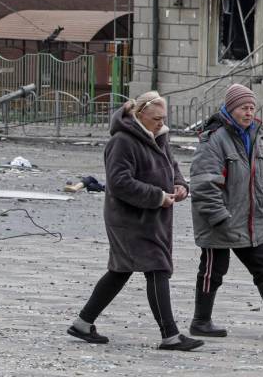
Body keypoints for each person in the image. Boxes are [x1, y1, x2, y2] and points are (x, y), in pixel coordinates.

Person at [66, 91, 204, 351]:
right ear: (139, 115)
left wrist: (179, 184)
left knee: (121, 270)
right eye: (155, 119)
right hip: (129, 219)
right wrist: (157, 196)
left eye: (163, 119)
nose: (161, 124)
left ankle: (83, 324)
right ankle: (170, 335)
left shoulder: (158, 135)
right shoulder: (122, 141)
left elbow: (170, 164)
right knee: (157, 268)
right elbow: (119, 183)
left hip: (153, 216)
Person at [188, 84, 263, 338]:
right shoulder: (214, 138)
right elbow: (203, 183)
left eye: (252, 107)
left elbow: (258, 179)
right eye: (243, 108)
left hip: (250, 217)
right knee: (214, 268)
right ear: (231, 109)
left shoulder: (253, 135)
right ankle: (201, 321)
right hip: (220, 219)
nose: (248, 112)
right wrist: (218, 216)